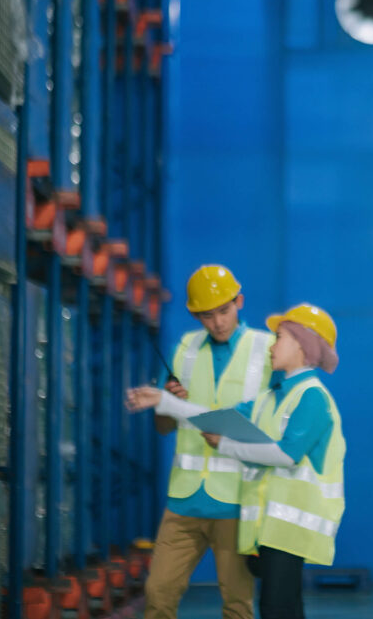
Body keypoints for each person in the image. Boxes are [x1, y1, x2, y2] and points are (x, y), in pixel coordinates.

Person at [128, 303, 345, 619]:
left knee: (277, 607)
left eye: (280, 337)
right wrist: (166, 401)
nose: (273, 344)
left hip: (292, 529)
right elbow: (218, 418)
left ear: (303, 344)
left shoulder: (312, 397)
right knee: (279, 607)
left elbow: (286, 454)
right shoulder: (273, 397)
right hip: (271, 526)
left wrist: (228, 446)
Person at [141, 264, 275, 619]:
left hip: (236, 501)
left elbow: (274, 425)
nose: (217, 322)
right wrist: (170, 403)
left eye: (224, 311)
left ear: (239, 302)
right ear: (194, 314)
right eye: (206, 315)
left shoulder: (267, 350)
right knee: (157, 595)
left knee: (238, 605)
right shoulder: (183, 349)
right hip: (184, 501)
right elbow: (163, 427)